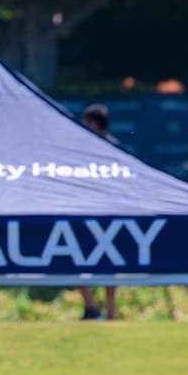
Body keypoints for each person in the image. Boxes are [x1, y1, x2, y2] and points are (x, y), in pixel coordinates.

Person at [78, 103, 119, 320]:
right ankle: (92, 307)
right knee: (77, 260)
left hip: (107, 216)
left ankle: (110, 311)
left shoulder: (111, 149)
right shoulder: (82, 150)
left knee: (108, 264)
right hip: (86, 214)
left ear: (95, 124)